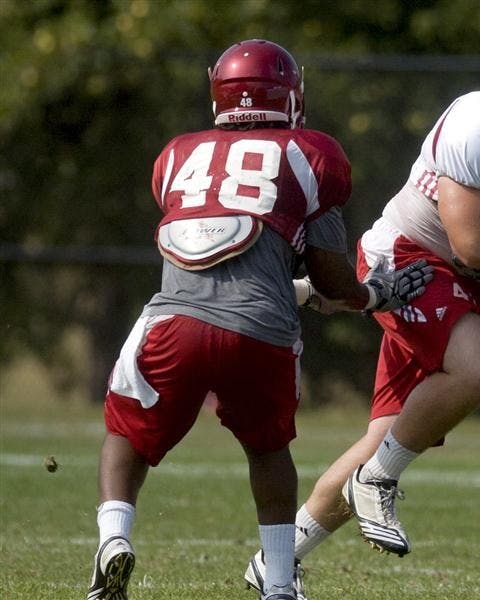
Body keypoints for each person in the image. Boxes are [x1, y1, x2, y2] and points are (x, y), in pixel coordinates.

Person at [242, 39, 480, 595]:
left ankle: (277, 561)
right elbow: (476, 244)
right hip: (408, 257)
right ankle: (378, 479)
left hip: (461, 282)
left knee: (386, 435)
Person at [86, 39, 432, 600]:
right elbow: (329, 279)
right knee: (267, 451)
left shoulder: (176, 156)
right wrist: (373, 296)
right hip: (260, 332)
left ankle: (113, 537)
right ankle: (277, 582)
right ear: (290, 95)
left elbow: (216, 262)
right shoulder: (311, 154)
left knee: (126, 435)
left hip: (173, 325)